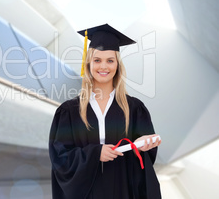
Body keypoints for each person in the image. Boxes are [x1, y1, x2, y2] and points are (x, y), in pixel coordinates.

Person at [49, 24, 161, 199]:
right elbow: (59, 158)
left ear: (117, 65)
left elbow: (146, 161)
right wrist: (94, 154)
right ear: (88, 63)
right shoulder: (69, 112)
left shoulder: (134, 108)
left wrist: (143, 145)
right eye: (97, 60)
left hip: (123, 192)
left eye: (110, 60)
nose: (104, 66)